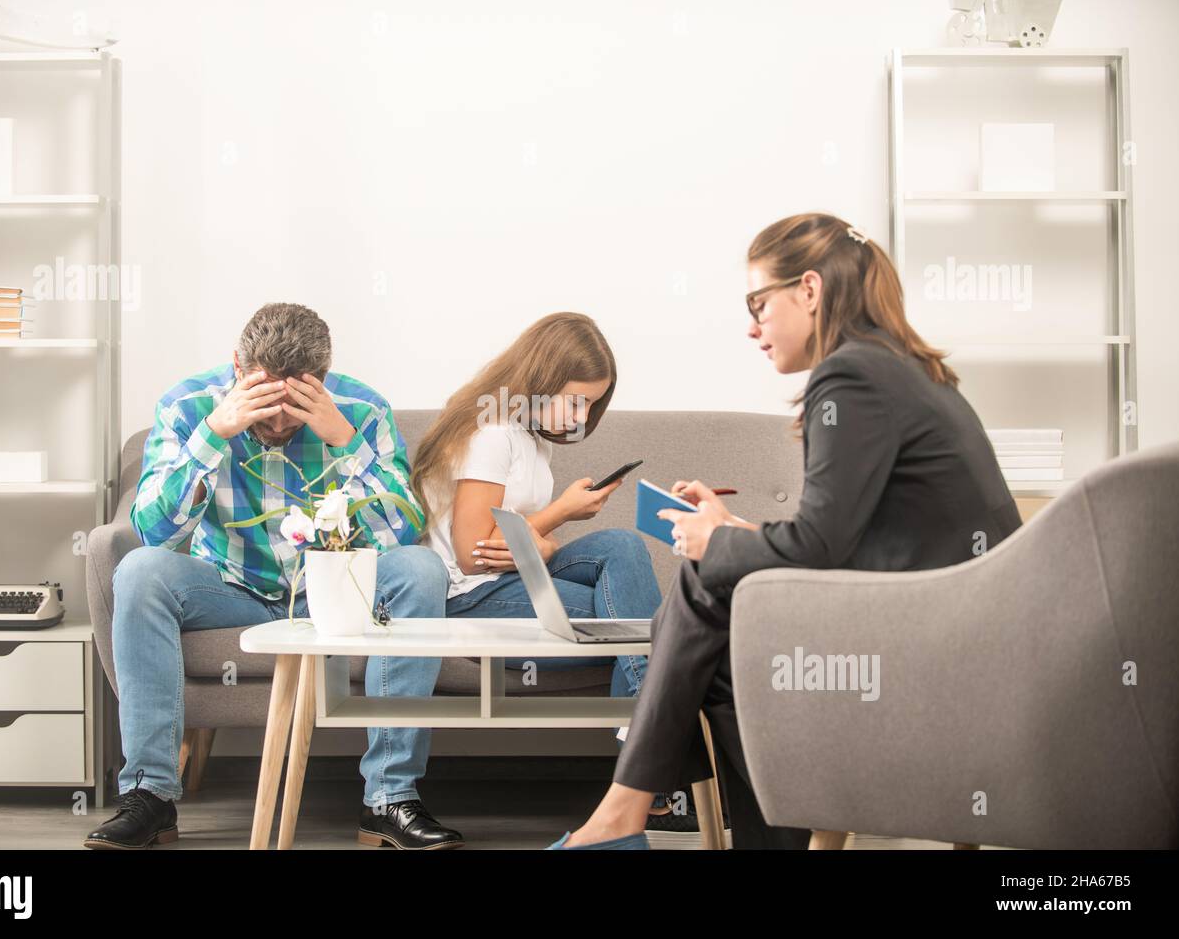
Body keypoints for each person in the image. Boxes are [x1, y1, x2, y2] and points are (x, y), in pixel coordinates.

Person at [550, 213, 1023, 849]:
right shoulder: (900, 368)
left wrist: (719, 543)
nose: (752, 327)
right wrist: (735, 531)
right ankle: (642, 818)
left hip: (925, 641)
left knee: (699, 592)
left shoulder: (850, 376)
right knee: (710, 620)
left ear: (809, 290)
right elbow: (845, 539)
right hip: (956, 625)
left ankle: (621, 817)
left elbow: (822, 547)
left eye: (758, 303)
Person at [84, 302, 464, 850]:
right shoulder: (188, 406)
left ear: (322, 380)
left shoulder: (361, 410)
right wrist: (214, 435)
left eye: (294, 405)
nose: (280, 423)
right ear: (238, 367)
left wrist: (345, 442)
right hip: (230, 589)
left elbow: (403, 530)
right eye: (266, 401)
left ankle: (389, 798)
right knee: (139, 572)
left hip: (332, 593)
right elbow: (154, 534)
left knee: (422, 569)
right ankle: (151, 797)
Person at [408, 313, 686, 824]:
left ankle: (645, 761)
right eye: (576, 400)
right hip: (471, 595)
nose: (581, 415)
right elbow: (474, 555)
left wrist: (539, 539)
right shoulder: (492, 433)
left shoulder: (528, 434)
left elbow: (515, 540)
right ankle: (654, 772)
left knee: (623, 545)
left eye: (592, 404)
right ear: (540, 380)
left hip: (515, 575)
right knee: (638, 620)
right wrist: (558, 514)